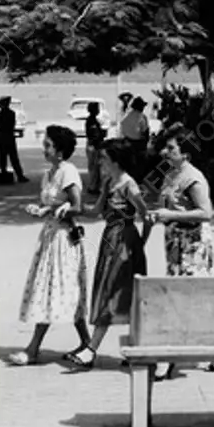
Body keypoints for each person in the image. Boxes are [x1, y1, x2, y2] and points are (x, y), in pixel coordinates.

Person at [8, 125, 91, 366]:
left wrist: (54, 210)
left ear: (60, 151)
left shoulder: (68, 172)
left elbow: (77, 207)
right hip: (49, 237)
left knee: (54, 290)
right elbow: (50, 205)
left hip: (64, 239)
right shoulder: (49, 174)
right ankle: (88, 344)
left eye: (48, 146)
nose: (44, 149)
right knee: (57, 290)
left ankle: (33, 348)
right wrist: (41, 210)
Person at [67, 138, 152, 369]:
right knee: (109, 290)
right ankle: (131, 349)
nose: (100, 161)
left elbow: (147, 216)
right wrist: (70, 208)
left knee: (115, 292)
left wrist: (139, 243)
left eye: (104, 158)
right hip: (110, 240)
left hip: (125, 242)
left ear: (115, 160)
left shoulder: (129, 186)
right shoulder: (108, 182)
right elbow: (96, 211)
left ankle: (92, 349)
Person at [149, 123, 214, 378]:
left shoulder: (193, 178)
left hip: (193, 247)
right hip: (175, 244)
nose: (165, 153)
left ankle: (177, 355)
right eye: (166, 148)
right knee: (180, 298)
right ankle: (209, 351)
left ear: (186, 153)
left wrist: (169, 214)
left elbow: (206, 212)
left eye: (171, 148)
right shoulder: (171, 174)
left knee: (191, 299)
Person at [0, 97, 28, 183]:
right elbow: (12, 125)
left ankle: (4, 175)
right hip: (9, 137)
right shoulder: (11, 113)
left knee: (3, 158)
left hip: (1, 138)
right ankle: (19, 175)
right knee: (14, 158)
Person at [120, 96, 150, 177]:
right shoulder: (142, 117)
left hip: (126, 142)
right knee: (143, 163)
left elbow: (122, 127)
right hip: (138, 144)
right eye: (143, 106)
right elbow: (145, 132)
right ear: (140, 107)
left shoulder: (127, 115)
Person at [84, 101, 107, 195]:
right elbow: (94, 136)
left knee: (96, 168)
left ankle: (95, 186)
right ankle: (93, 187)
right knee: (94, 168)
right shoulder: (91, 121)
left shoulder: (93, 120)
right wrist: (102, 133)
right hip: (93, 146)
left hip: (94, 145)